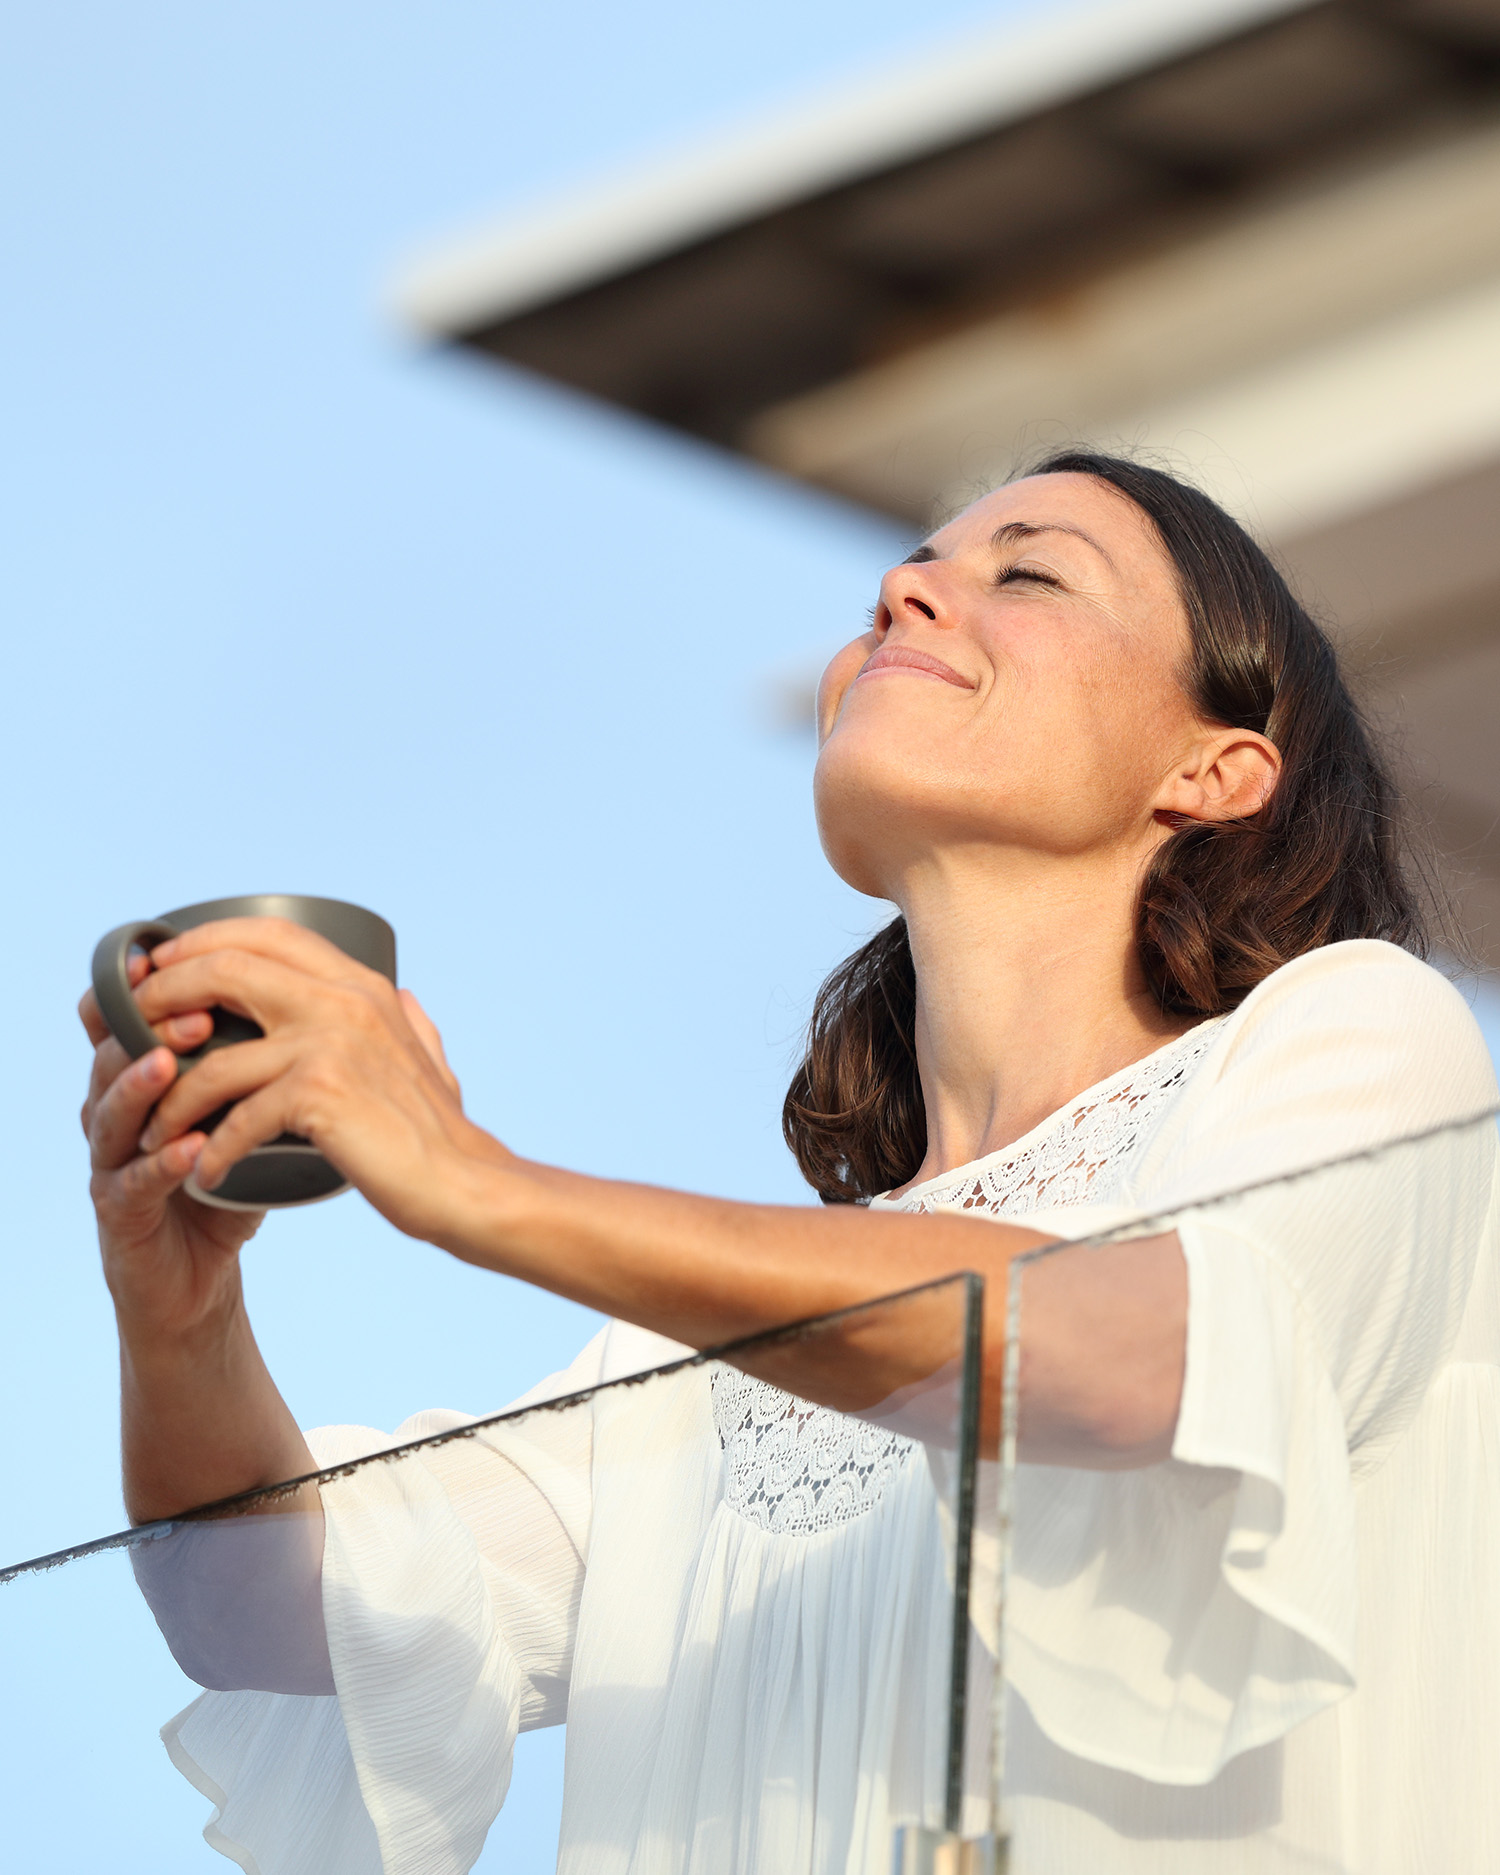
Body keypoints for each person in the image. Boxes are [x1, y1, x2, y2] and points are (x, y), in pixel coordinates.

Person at [81, 453, 1500, 1874]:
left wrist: (471, 1181)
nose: (902, 593)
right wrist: (179, 1312)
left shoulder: (1357, 1036)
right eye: (910, 573)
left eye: (1030, 571)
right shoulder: (694, 1349)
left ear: (1216, 767)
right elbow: (256, 1608)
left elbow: (1140, 1351)